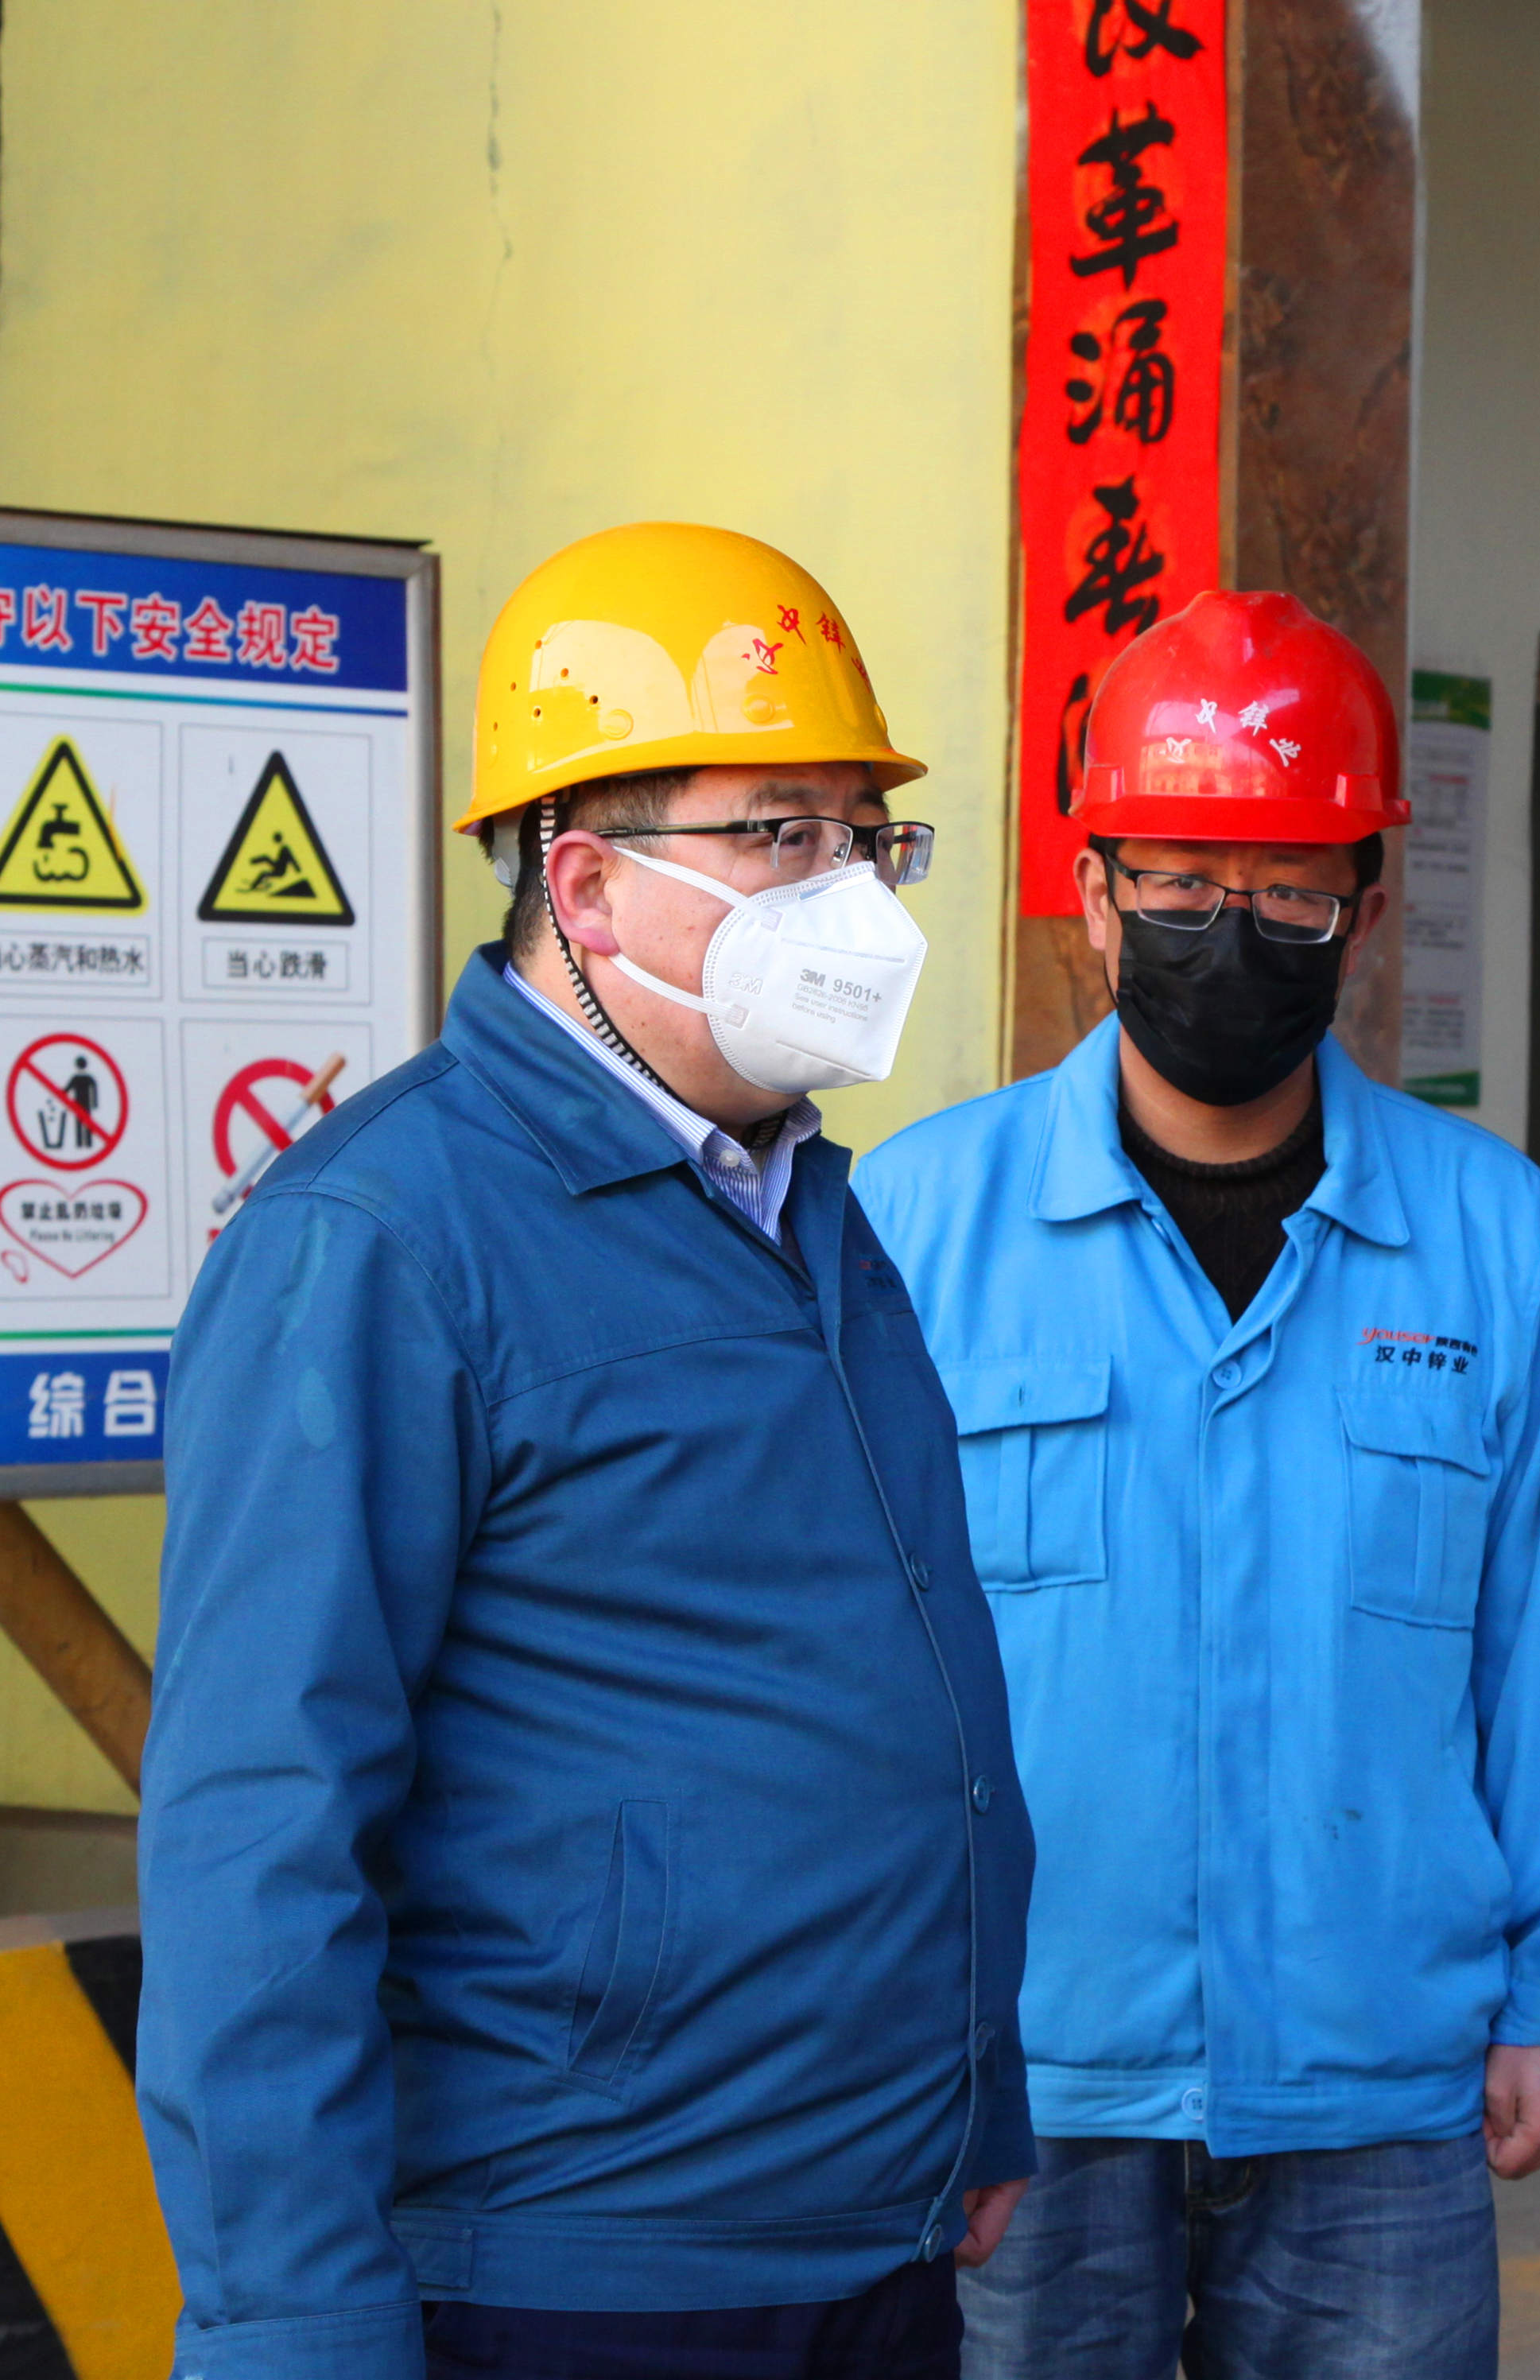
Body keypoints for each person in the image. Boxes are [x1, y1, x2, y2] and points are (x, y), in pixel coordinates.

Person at [135, 522, 1035, 2380]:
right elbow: (259, 1828)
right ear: (587, 885)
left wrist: (973, 2101)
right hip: (579, 2271)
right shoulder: (381, 1240)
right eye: (779, 835)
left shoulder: (809, 1210)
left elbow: (898, 1702)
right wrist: (292, 2330)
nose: (854, 900)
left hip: (873, 2234)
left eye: (867, 837)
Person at [854, 588, 1540, 2380]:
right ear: (1091, 896)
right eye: (1180, 883)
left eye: (1290, 891)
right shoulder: (915, 1222)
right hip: (1019, 2068)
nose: (1233, 933)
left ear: (1361, 912)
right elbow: (846, 1664)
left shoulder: (1501, 1238)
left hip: (1380, 2073)